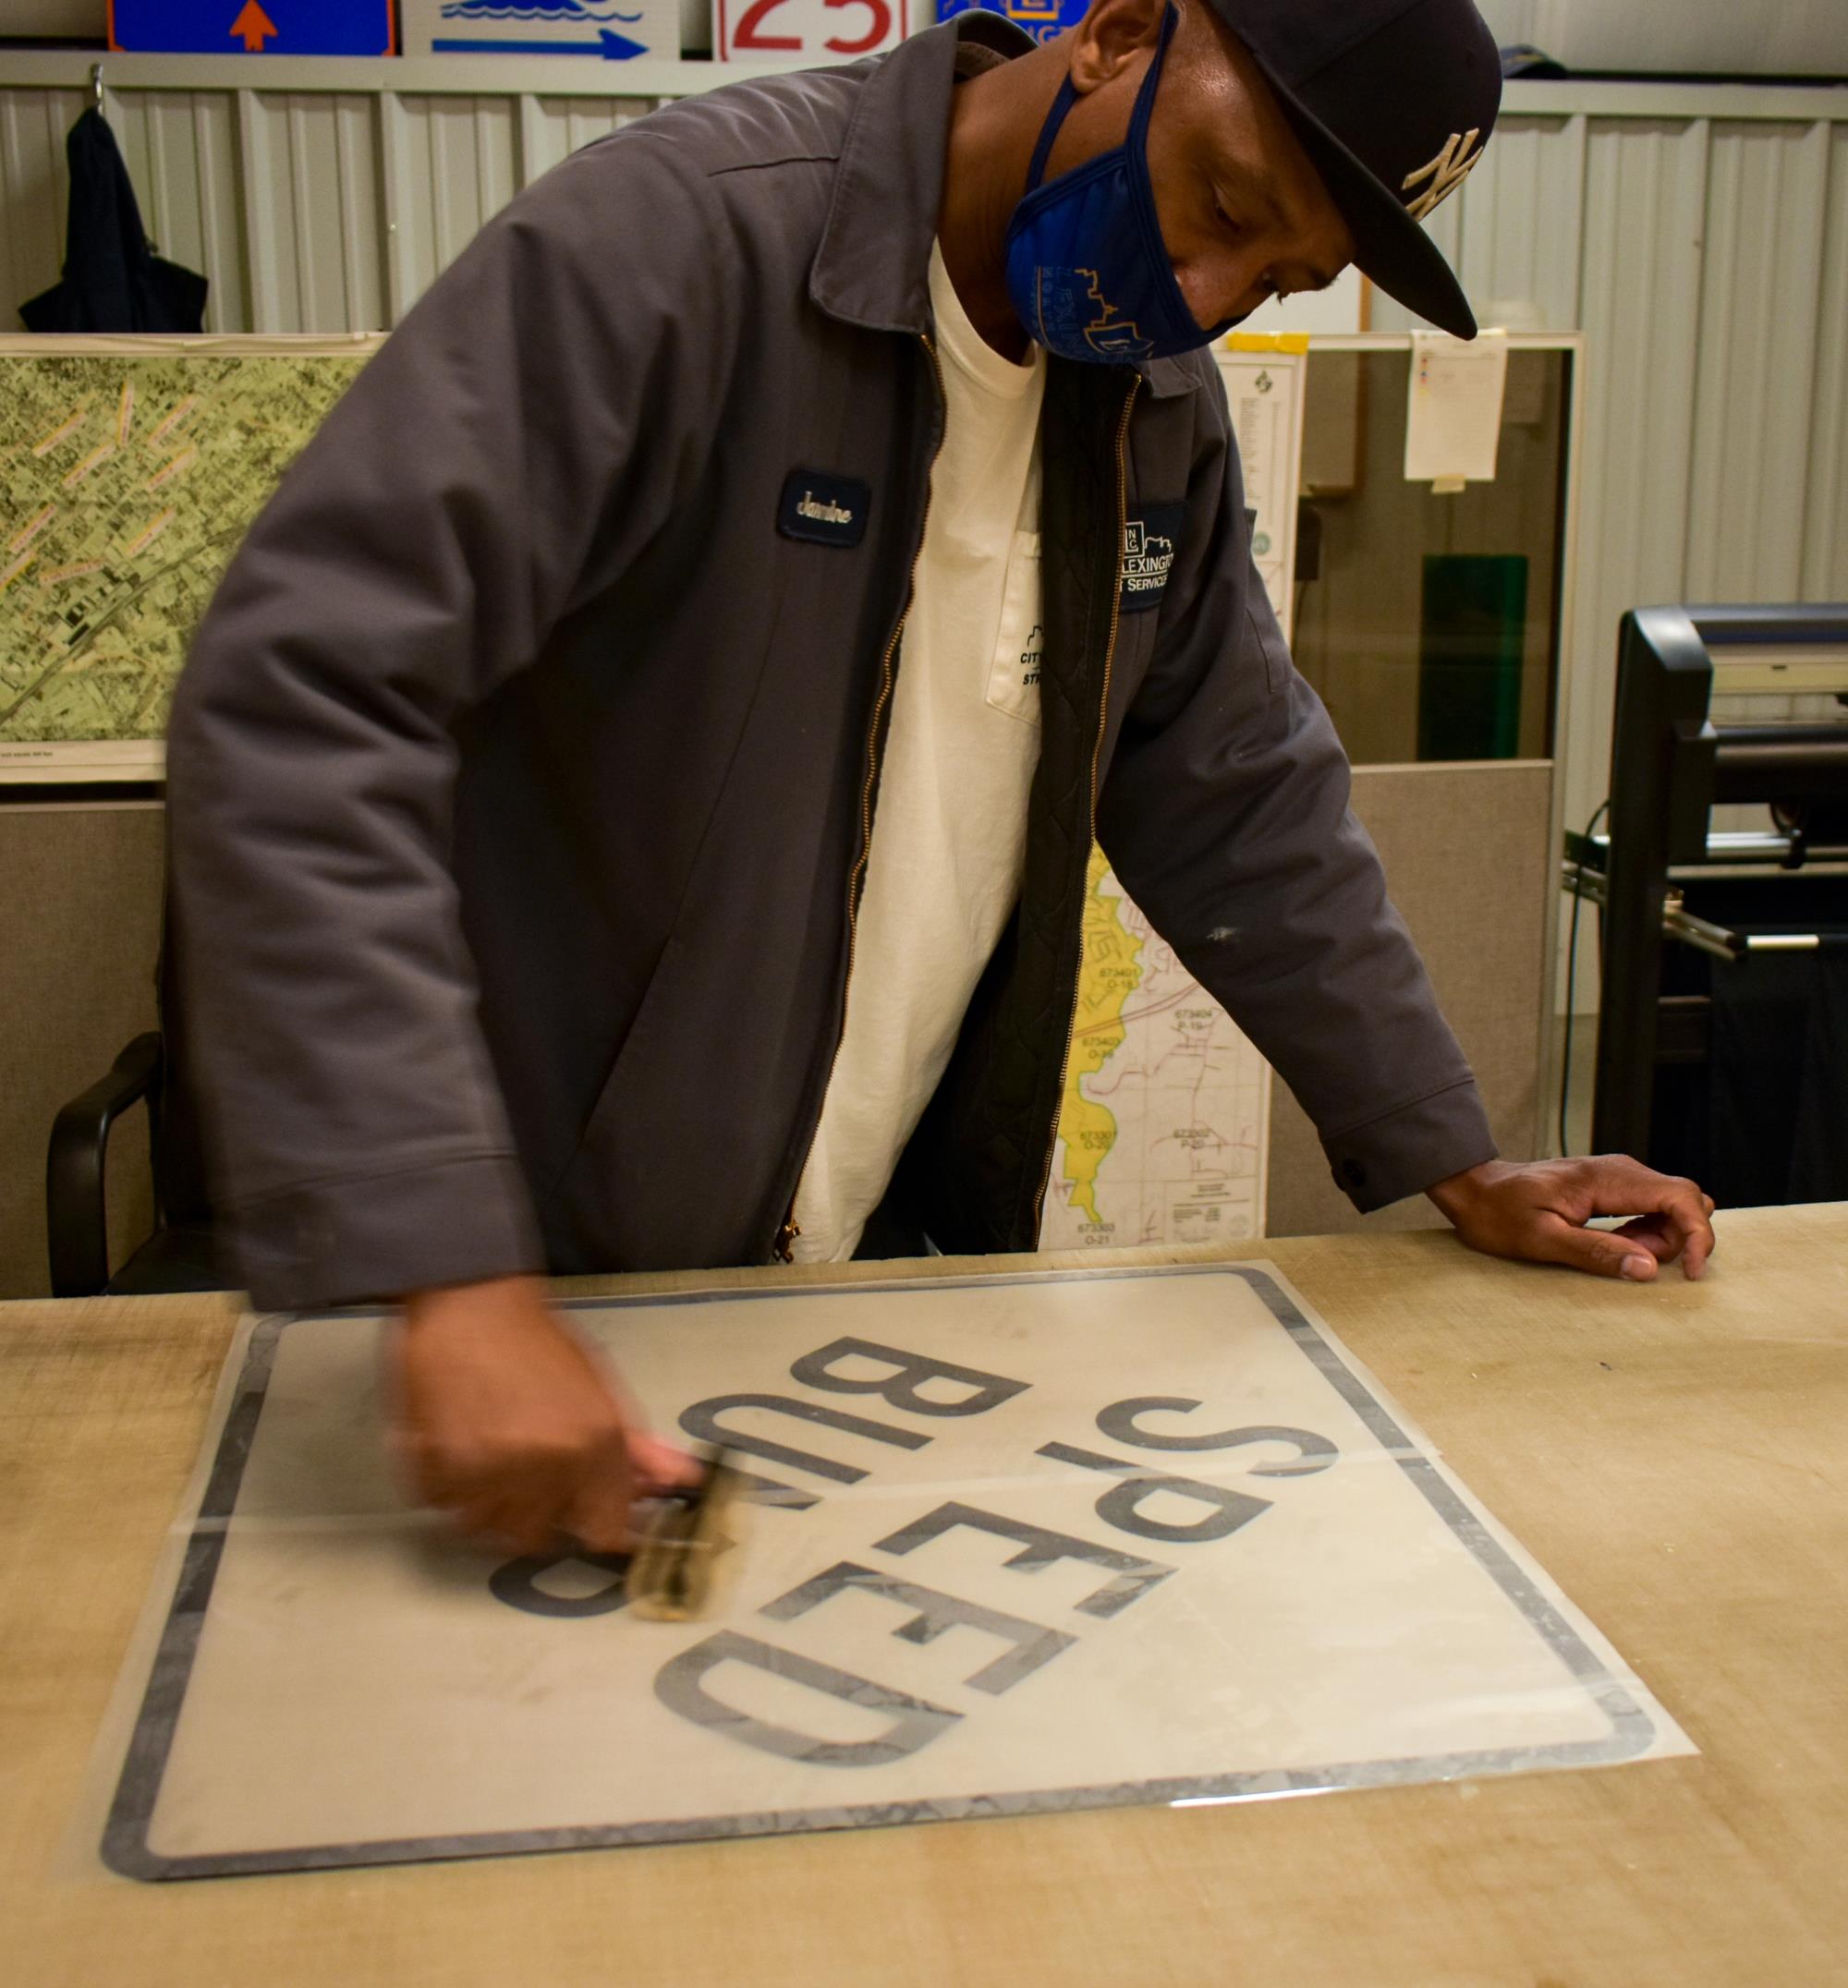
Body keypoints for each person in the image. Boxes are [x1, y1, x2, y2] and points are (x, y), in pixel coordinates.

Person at [165, 0, 1715, 1558]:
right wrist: (451, 1270)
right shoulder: (685, 248)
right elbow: (305, 694)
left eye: (1281, 281)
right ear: (1115, 33)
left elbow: (1236, 785)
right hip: (513, 1306)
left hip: (816, 1300)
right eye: (1226, 205)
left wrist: (1456, 1154)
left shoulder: (1148, 407)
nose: (1206, 296)